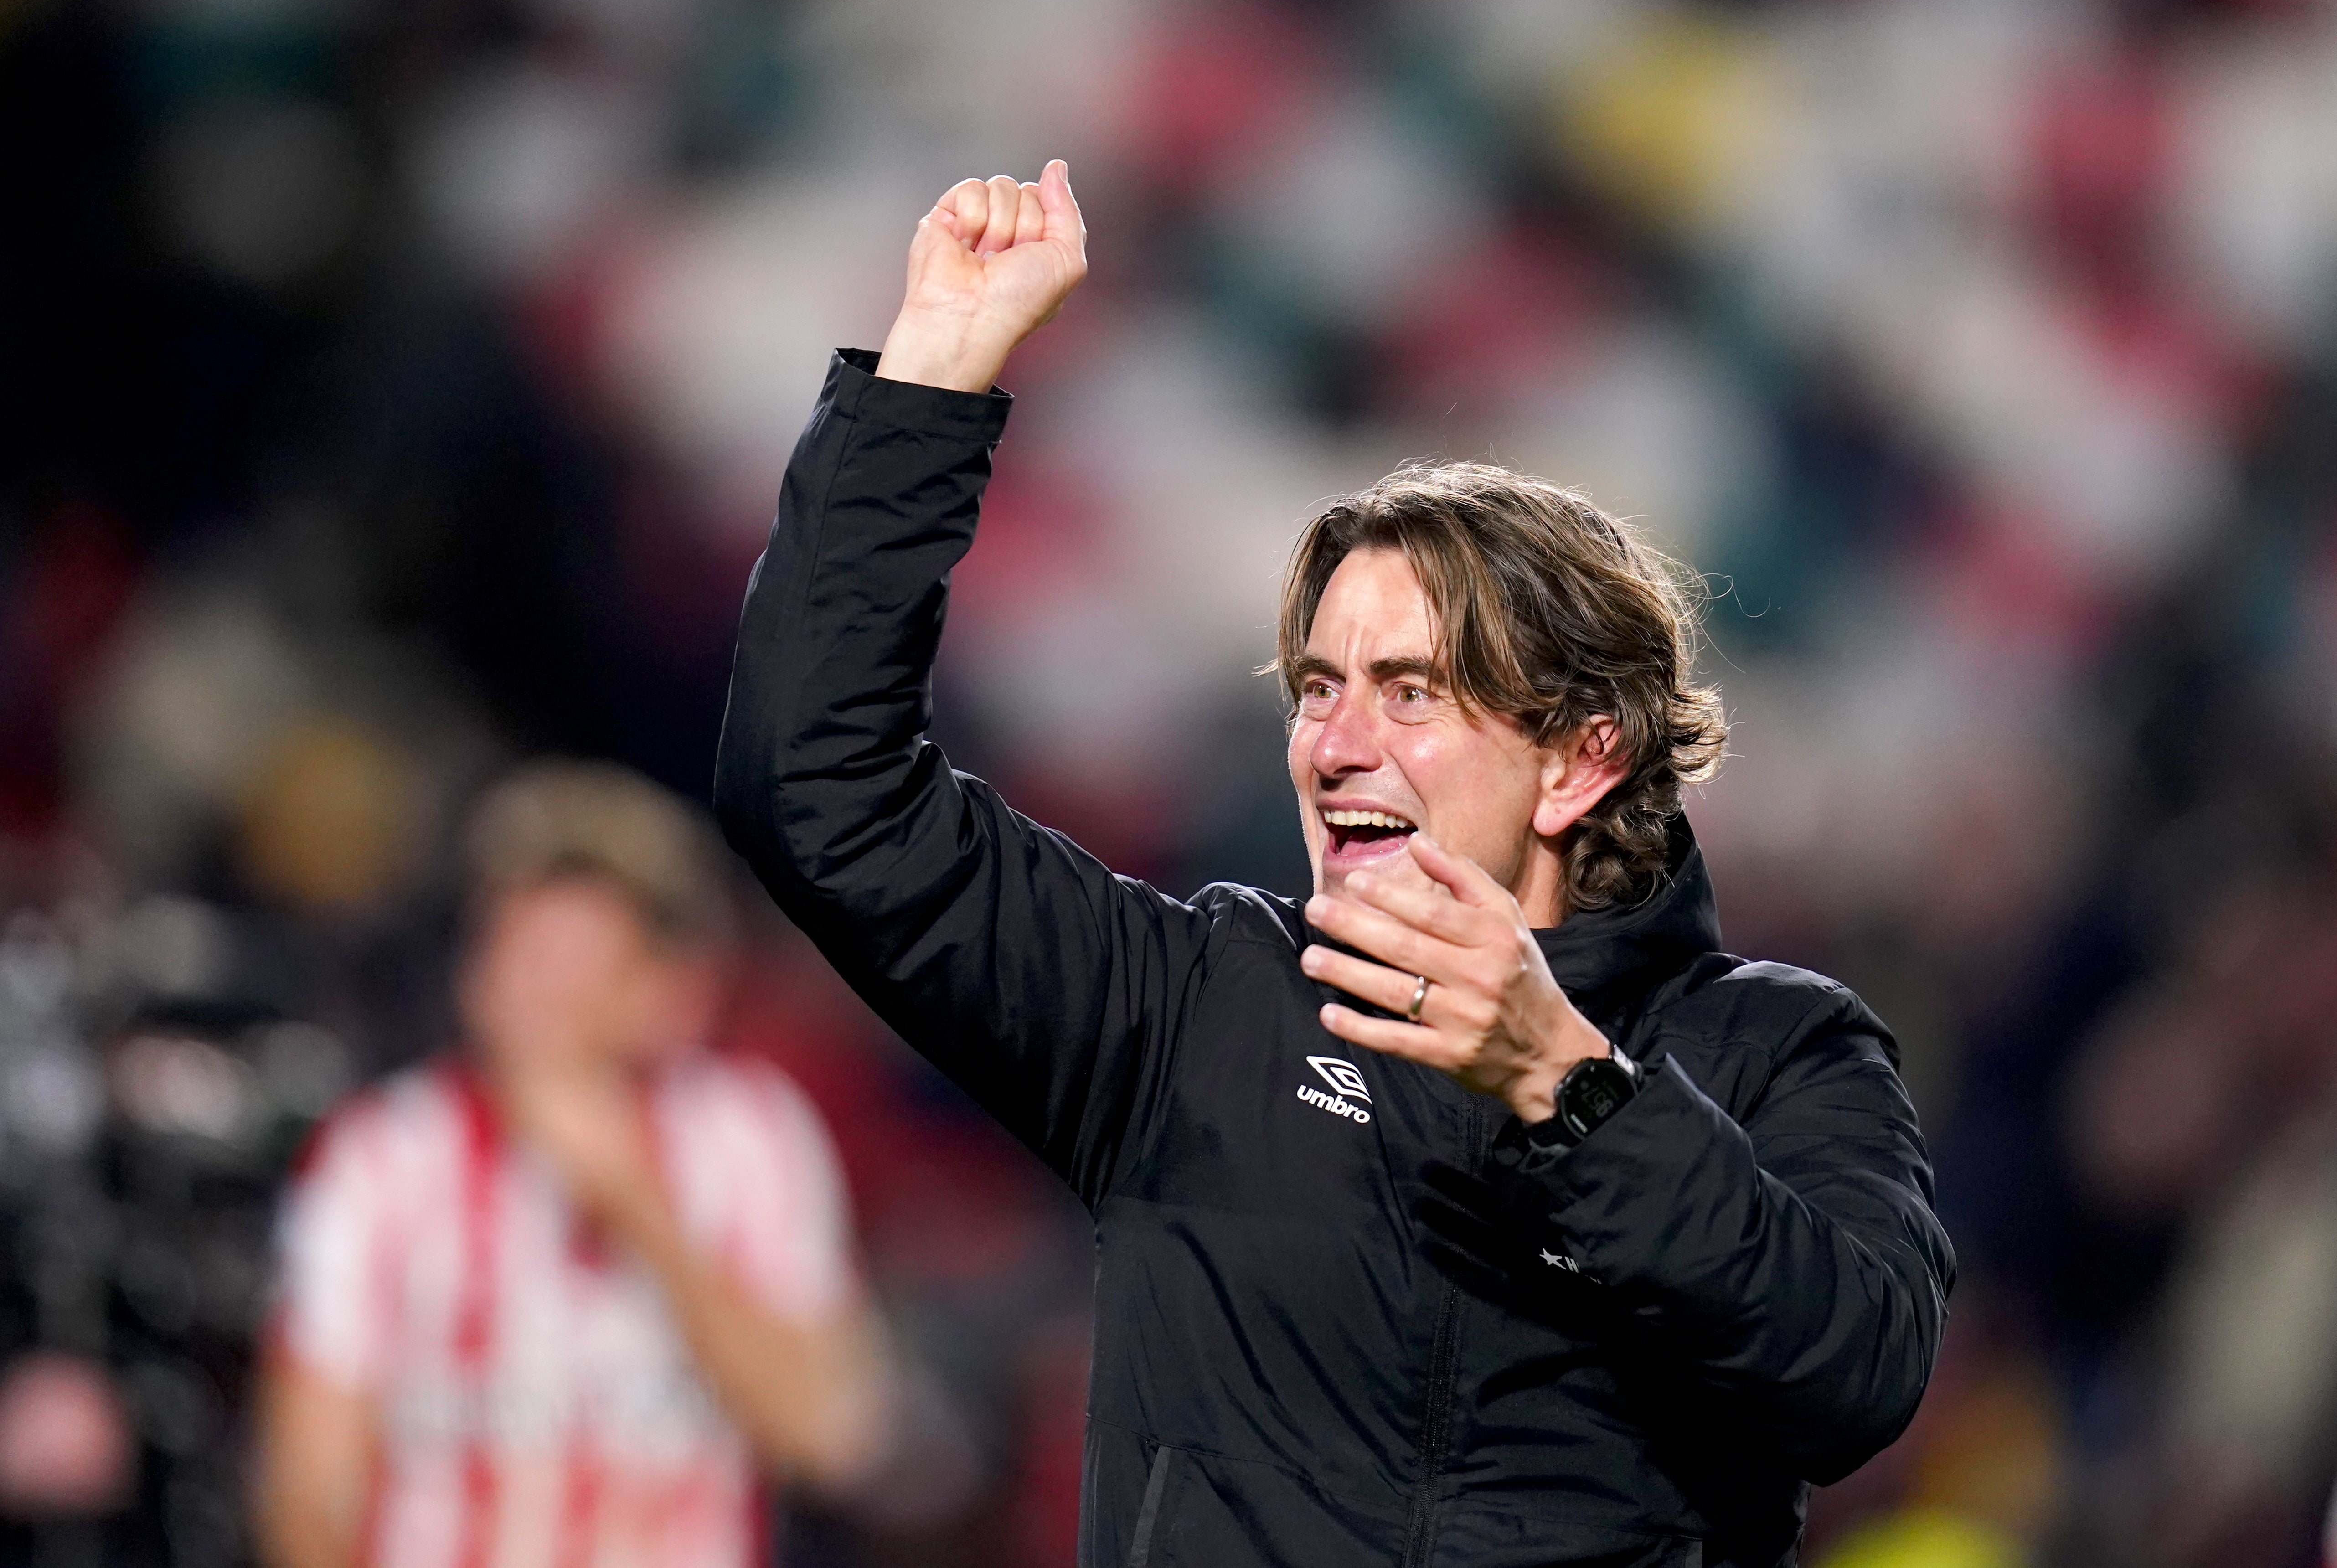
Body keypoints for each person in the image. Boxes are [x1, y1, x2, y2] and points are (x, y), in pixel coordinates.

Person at [714, 164, 1953, 1568]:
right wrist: (928, 381)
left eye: (1412, 691)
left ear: (1583, 755)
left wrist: (1570, 1091)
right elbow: (818, 786)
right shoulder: (1193, 1008)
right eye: (1317, 684)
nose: (1333, 742)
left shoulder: (1775, 1052)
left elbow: (1852, 1375)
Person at [253, 761, 889, 1568]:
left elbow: (829, 1434)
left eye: (574, 965)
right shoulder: (382, 1157)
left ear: (672, 992)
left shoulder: (750, 1139)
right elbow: (309, 1492)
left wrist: (639, 1209)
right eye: (515, 953)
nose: (529, 999)